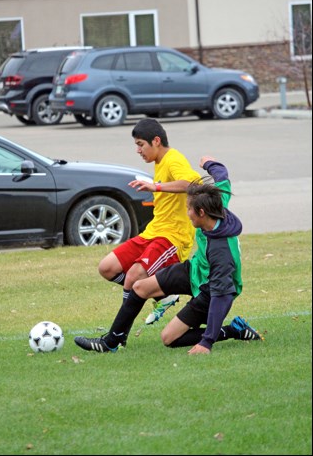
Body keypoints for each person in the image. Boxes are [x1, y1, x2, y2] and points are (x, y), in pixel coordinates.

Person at [74, 156, 262, 353]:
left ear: (200, 212)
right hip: (194, 271)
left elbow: (221, 296)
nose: (187, 213)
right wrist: (209, 163)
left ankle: (233, 330)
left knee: (169, 338)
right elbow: (222, 177)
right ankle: (112, 341)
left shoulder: (221, 252)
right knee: (139, 286)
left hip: (209, 291)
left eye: (188, 209)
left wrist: (207, 342)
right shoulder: (216, 205)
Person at [97, 118, 201, 325]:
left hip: (173, 237)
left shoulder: (173, 159)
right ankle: (162, 295)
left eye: (140, 144)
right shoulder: (159, 162)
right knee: (107, 267)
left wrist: (157, 188)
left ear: (156, 141)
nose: (138, 150)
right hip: (153, 232)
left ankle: (116, 336)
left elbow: (192, 184)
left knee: (133, 277)